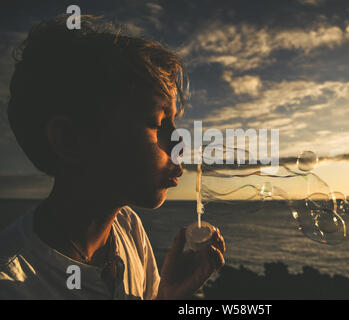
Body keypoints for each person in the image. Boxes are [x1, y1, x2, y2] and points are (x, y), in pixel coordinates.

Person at [0, 15, 225, 300]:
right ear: (71, 140)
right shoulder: (13, 284)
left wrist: (168, 295)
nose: (181, 142)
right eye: (158, 123)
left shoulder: (127, 227)